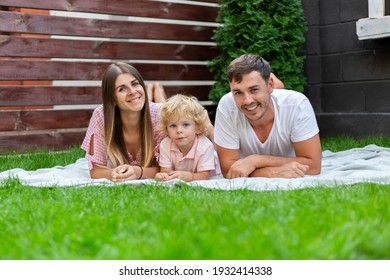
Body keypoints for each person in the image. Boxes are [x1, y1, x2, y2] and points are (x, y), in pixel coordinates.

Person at [214, 54, 322, 179]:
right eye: (238, 92)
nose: (247, 100)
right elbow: (228, 170)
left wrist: (256, 160)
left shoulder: (296, 104)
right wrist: (270, 173)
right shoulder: (227, 106)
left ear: (270, 85)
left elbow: (313, 166)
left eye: (254, 90)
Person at [81, 62, 167, 181]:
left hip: (157, 109)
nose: (132, 91)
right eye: (122, 89)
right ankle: (152, 90)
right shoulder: (102, 116)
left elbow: (165, 169)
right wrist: (113, 173)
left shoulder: (158, 114)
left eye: (135, 84)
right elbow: (95, 170)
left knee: (166, 109)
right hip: (140, 104)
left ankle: (157, 90)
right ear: (113, 99)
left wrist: (138, 172)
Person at [155, 94, 221, 182]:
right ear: (166, 130)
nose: (179, 130)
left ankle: (208, 124)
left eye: (185, 125)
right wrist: (163, 176)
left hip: (213, 176)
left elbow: (203, 176)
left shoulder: (205, 146)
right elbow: (166, 171)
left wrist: (187, 176)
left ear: (197, 128)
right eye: (173, 125)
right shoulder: (165, 144)